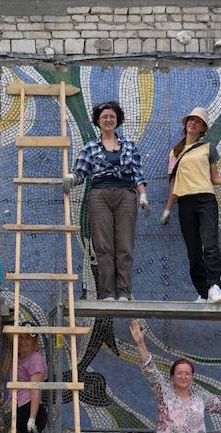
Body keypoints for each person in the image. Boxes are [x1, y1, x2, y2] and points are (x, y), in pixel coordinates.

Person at [160, 107, 221, 304]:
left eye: (197, 121)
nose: (193, 123)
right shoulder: (174, 152)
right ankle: (202, 292)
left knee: (210, 244)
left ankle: (215, 287)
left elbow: (214, 177)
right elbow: (174, 183)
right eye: (190, 120)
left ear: (203, 128)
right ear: (186, 124)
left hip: (206, 199)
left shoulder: (208, 148)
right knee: (193, 250)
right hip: (184, 201)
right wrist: (167, 209)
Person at [63, 101, 148, 302]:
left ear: (117, 119)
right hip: (99, 195)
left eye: (112, 116)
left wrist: (142, 194)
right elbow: (81, 172)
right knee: (103, 246)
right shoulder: (90, 147)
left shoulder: (129, 145)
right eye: (104, 117)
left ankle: (124, 293)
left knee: (124, 246)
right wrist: (71, 179)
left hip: (126, 194)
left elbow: (137, 173)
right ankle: (108, 293)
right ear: (98, 121)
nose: (108, 120)